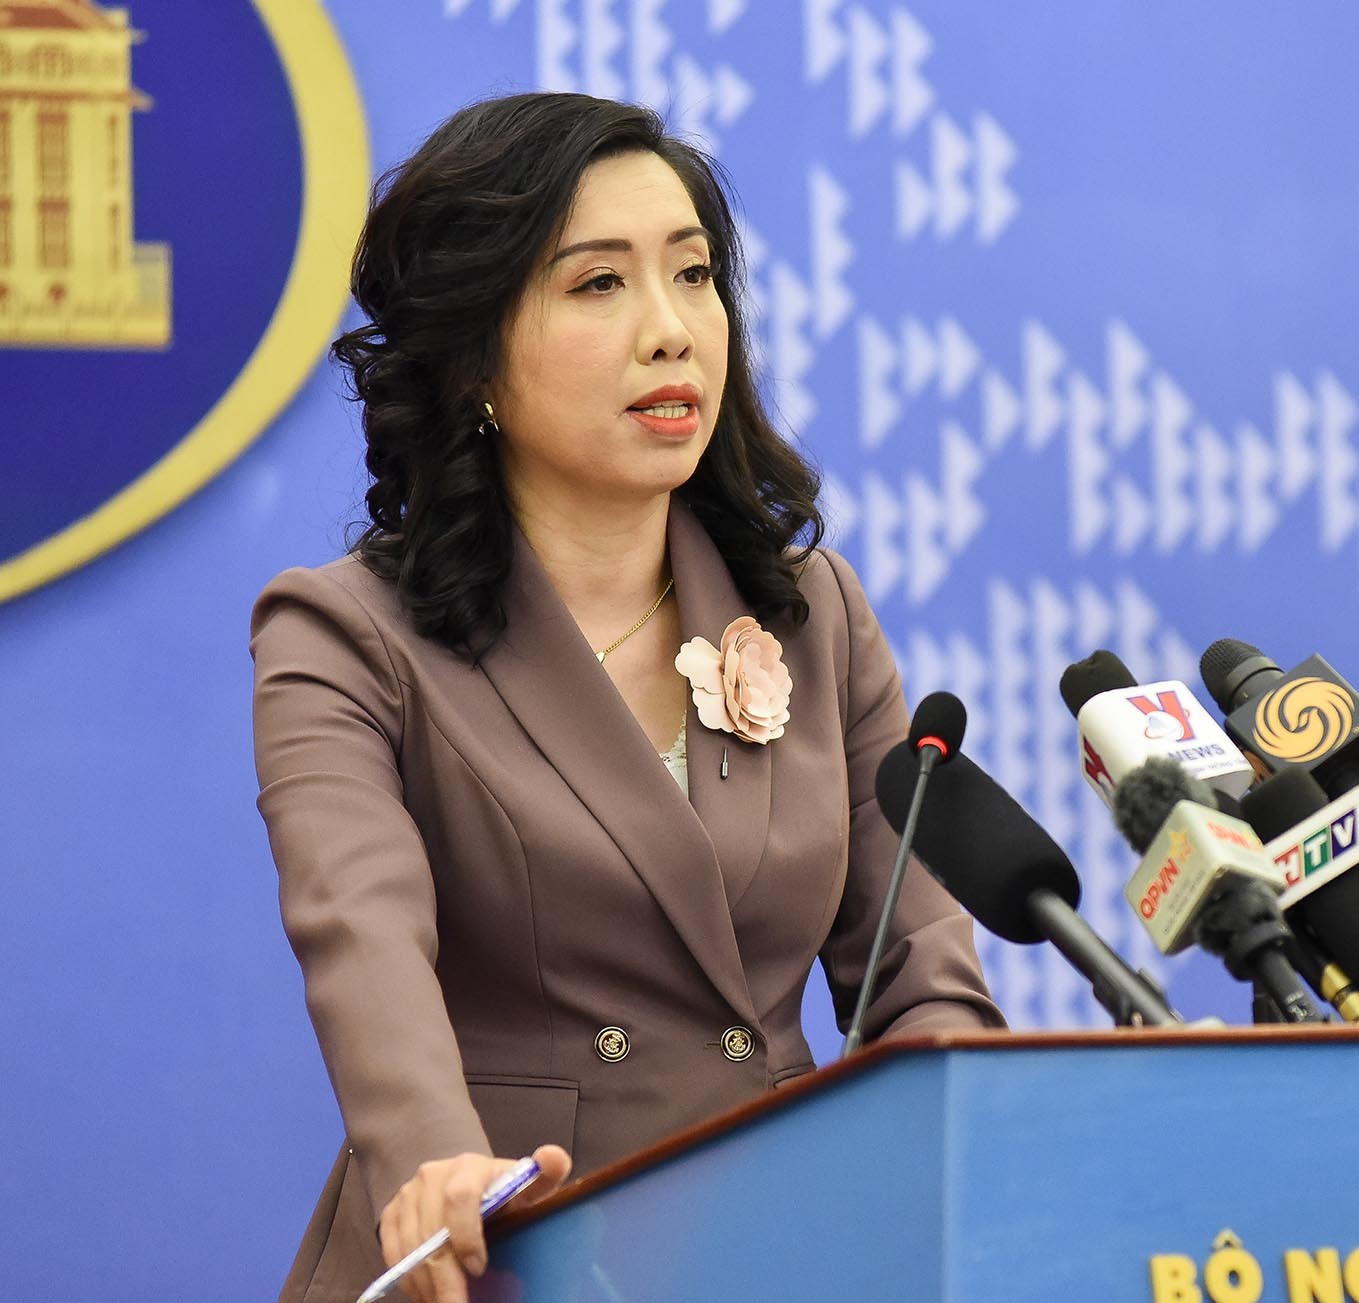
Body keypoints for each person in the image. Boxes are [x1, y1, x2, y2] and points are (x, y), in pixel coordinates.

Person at [250, 92, 1004, 1303]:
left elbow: (917, 964)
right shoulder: (347, 635)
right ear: (471, 357)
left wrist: (963, 1142)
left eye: (693, 275)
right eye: (598, 284)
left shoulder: (809, 613)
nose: (670, 331)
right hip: (515, 1251)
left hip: (781, 1253)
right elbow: (363, 941)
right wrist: (439, 1166)